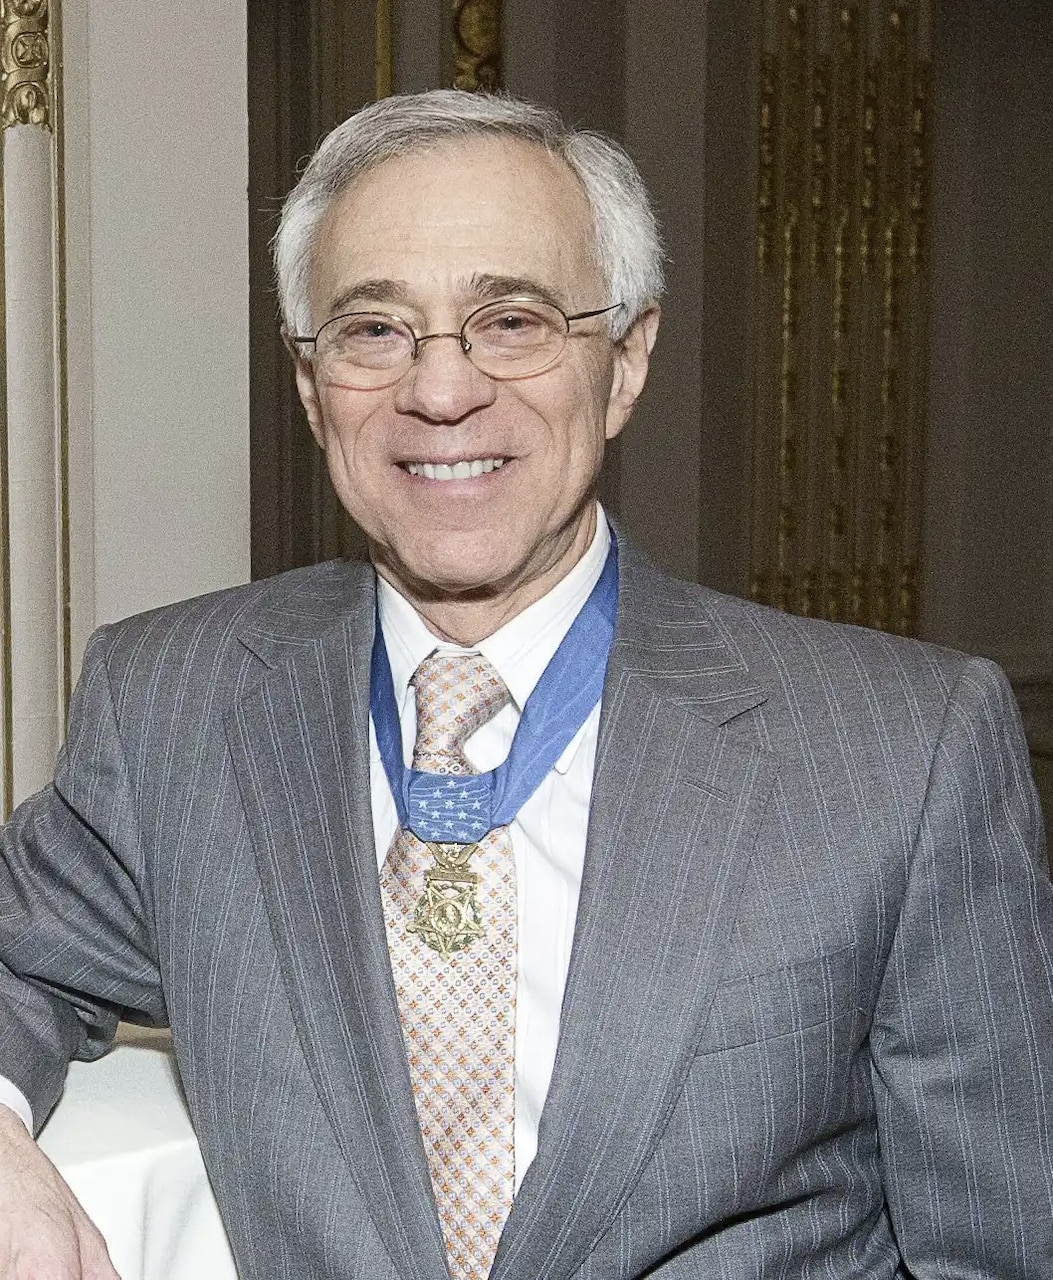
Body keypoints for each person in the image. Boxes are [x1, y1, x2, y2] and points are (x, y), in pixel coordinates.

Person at [0, 88, 1051, 1280]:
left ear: (626, 360)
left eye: (511, 321)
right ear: (309, 381)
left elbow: (1000, 1244)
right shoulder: (174, 703)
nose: (441, 391)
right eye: (373, 329)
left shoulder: (900, 754)